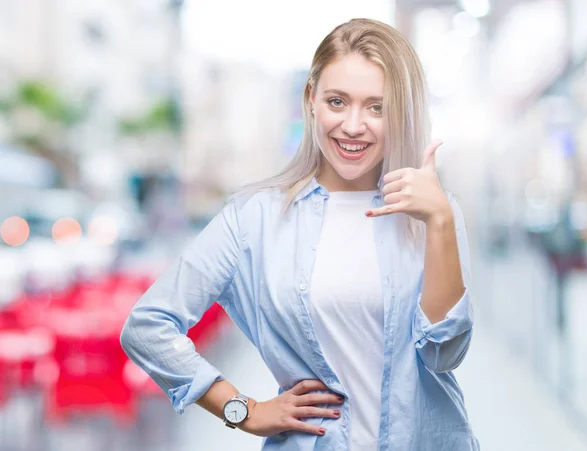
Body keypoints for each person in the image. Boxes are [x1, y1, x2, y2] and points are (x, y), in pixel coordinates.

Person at [120, 18, 479, 451]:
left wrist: (438, 222)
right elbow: (147, 327)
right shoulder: (254, 219)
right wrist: (244, 411)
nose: (352, 125)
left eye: (376, 107)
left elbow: (445, 355)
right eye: (337, 101)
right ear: (311, 100)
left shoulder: (434, 209)